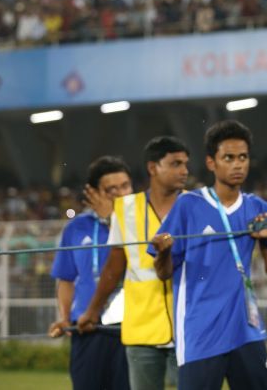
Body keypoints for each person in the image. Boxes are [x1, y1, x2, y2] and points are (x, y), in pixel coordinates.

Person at [148, 120, 267, 390]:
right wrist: (163, 253)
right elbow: (164, 272)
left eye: (243, 157)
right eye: (229, 158)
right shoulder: (188, 205)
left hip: (245, 330)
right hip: (201, 334)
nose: (238, 164)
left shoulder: (257, 208)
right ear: (212, 163)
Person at [77, 137, 190, 390]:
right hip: (141, 328)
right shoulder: (126, 208)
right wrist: (93, 310)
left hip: (188, 326)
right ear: (153, 168)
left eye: (185, 164)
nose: (184, 171)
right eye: (175, 163)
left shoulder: (196, 204)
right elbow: (114, 268)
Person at [49, 156, 134, 390]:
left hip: (129, 327)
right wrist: (65, 316)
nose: (121, 194)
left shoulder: (142, 222)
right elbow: (65, 279)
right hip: (87, 328)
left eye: (125, 186)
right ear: (93, 193)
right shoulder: (76, 227)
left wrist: (113, 220)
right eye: (112, 189)